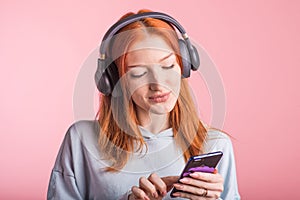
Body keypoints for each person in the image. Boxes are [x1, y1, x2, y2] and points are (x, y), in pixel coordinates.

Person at [47, 9, 240, 200]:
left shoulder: (215, 144)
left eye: (168, 66)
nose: (158, 85)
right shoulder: (81, 140)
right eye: (138, 73)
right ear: (114, 81)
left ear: (184, 66)